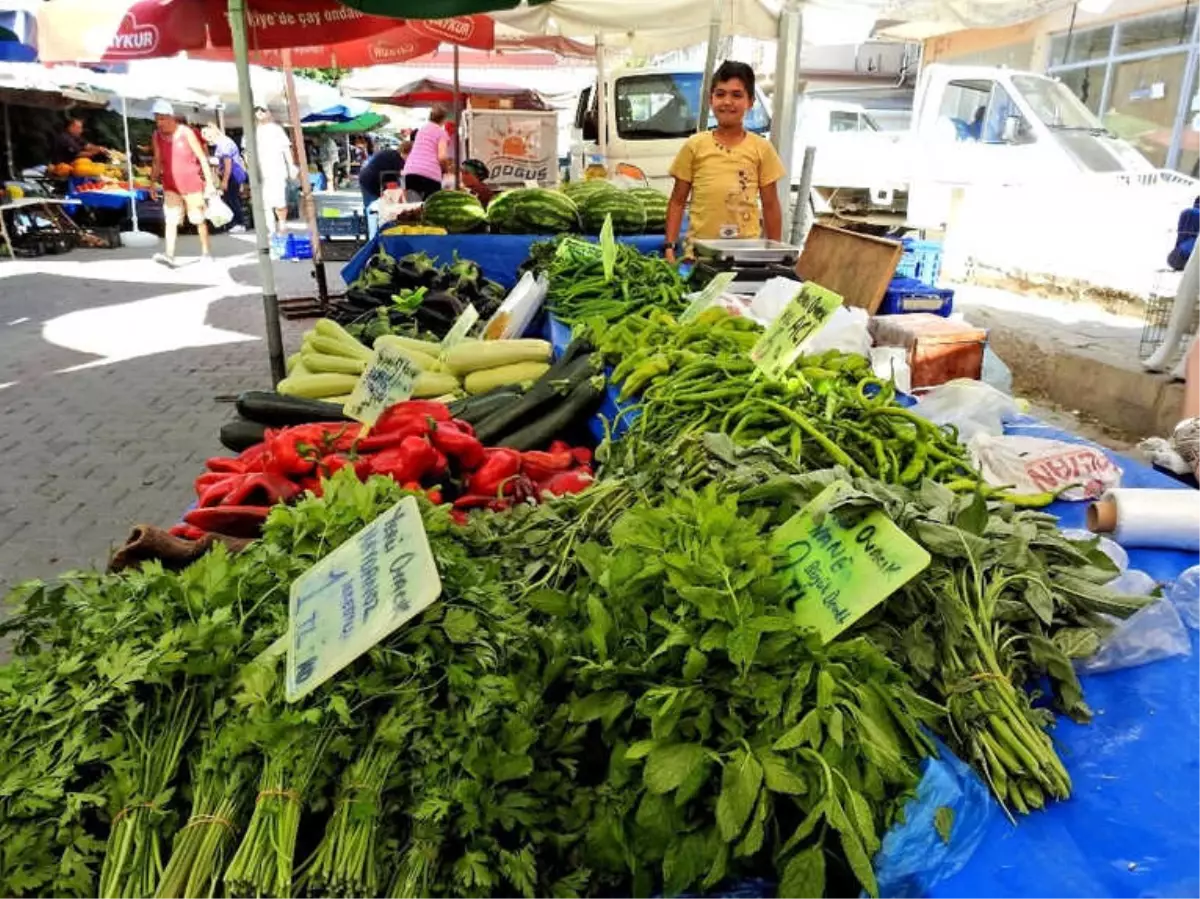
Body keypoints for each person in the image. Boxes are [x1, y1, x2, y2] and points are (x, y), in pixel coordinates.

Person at [663, 60, 785, 263]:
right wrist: (669, 246)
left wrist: (775, 255)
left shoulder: (762, 149)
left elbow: (771, 205)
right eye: (720, 94)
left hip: (746, 255)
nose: (727, 102)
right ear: (711, 100)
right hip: (699, 256)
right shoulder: (695, 145)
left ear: (750, 102)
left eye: (737, 95)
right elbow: (677, 201)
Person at [149, 100, 216, 267]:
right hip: (171, 185)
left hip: (192, 184)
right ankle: (169, 254)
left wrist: (209, 183)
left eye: (162, 119)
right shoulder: (157, 135)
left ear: (171, 118)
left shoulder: (186, 132)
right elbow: (157, 160)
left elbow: (201, 157)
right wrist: (152, 182)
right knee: (170, 220)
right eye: (157, 119)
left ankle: (206, 252)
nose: (160, 123)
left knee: (198, 219)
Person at [249, 106, 296, 234]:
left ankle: (282, 225)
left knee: (279, 201)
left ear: (269, 112)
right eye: (256, 110)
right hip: (260, 172)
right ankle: (270, 230)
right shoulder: (252, 131)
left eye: (262, 110)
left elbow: (286, 148)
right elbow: (247, 152)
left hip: (277, 170)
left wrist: (291, 165)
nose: (259, 113)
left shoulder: (276, 129)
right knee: (265, 203)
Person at [201, 123, 248, 233]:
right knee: (231, 198)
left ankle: (239, 223)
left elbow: (228, 164)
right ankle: (235, 223)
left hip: (233, 175)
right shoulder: (222, 143)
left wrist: (225, 181)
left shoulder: (224, 144)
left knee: (232, 199)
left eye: (209, 138)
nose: (208, 141)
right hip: (232, 174)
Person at [402, 106, 451, 201]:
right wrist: (446, 170)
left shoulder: (421, 130)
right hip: (430, 174)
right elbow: (442, 157)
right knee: (431, 208)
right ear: (444, 119)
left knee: (413, 209)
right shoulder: (441, 133)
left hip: (410, 171)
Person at [358, 143, 405, 211]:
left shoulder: (391, 153)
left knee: (371, 208)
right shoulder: (397, 159)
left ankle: (369, 219)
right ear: (405, 152)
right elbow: (394, 180)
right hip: (370, 181)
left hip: (366, 178)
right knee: (373, 209)